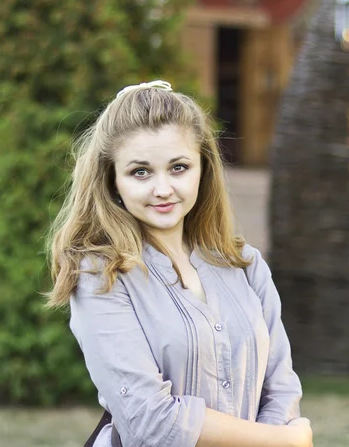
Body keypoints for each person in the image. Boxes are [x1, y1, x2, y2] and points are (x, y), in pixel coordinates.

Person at [45, 80, 312, 447]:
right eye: (140, 172)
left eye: (178, 167)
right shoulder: (99, 276)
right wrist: (280, 442)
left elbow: (281, 389)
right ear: (113, 182)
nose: (163, 188)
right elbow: (150, 421)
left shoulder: (246, 265)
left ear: (203, 168)